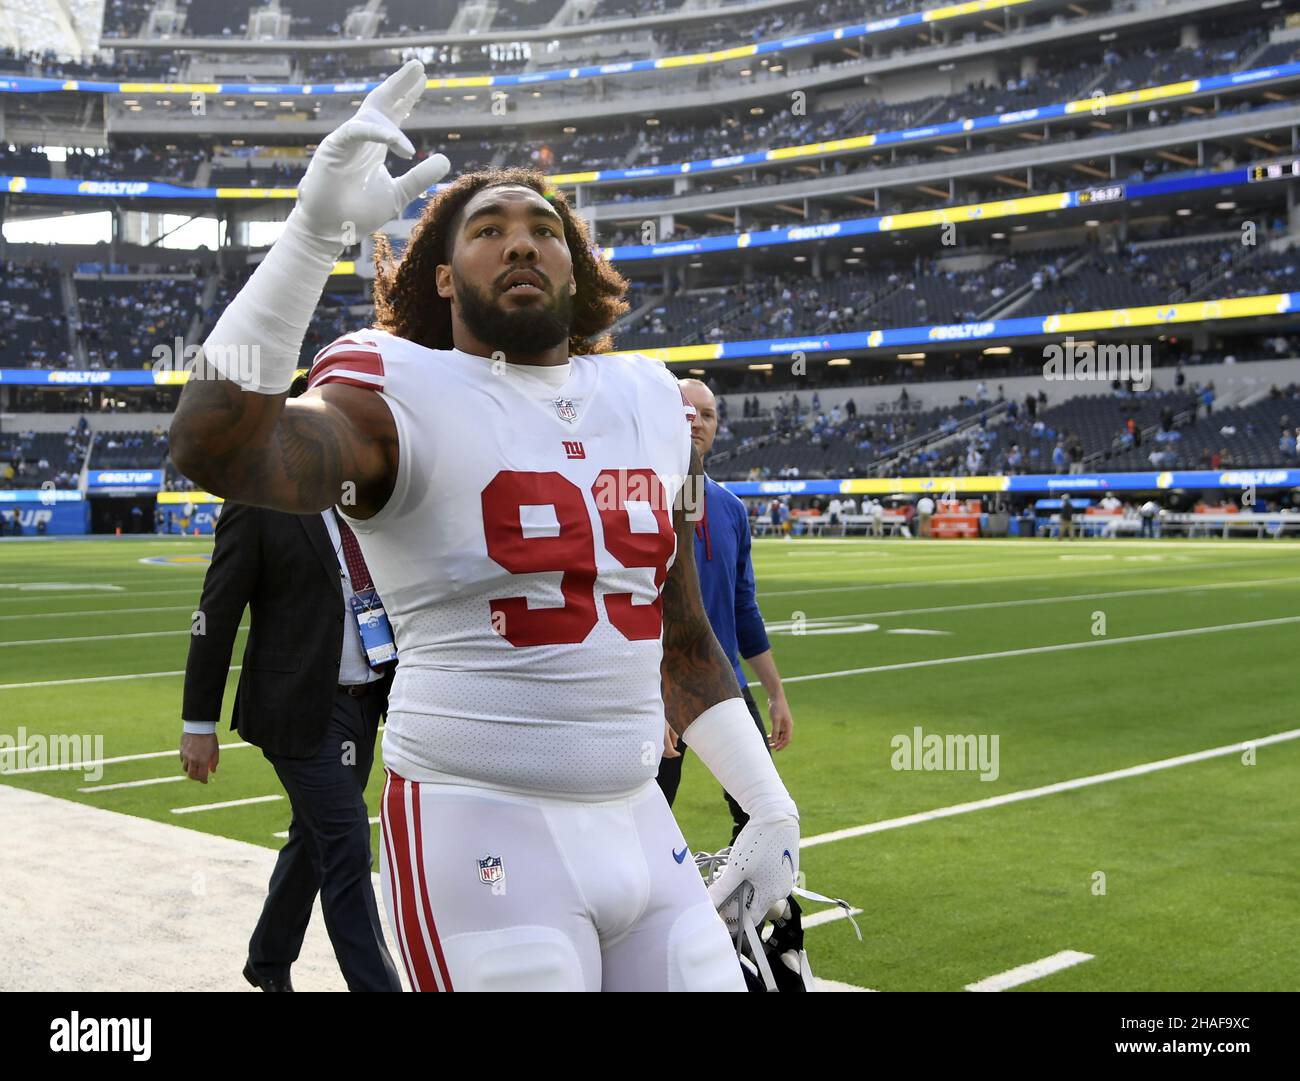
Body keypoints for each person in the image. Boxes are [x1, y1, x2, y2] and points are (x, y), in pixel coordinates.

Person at [169, 62, 797, 993]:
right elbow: (220, 446)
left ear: (577, 270)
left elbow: (681, 630)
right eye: (489, 228)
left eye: (545, 228)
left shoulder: (648, 399)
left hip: (637, 819)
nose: (521, 242)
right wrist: (309, 235)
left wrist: (766, 802)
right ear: (442, 275)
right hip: (480, 821)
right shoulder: (398, 391)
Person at [179, 370, 401, 992]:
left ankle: (268, 962)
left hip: (364, 702)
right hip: (294, 705)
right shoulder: (256, 500)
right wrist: (199, 724)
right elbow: (214, 614)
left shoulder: (368, 498)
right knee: (347, 842)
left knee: (314, 838)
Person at [659, 379, 793, 844]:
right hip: (656, 689)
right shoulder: (635, 501)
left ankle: (753, 915)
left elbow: (744, 609)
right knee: (647, 820)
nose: (697, 421)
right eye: (686, 411)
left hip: (724, 682)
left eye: (708, 414)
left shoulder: (731, 508)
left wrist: (774, 692)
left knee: (765, 815)